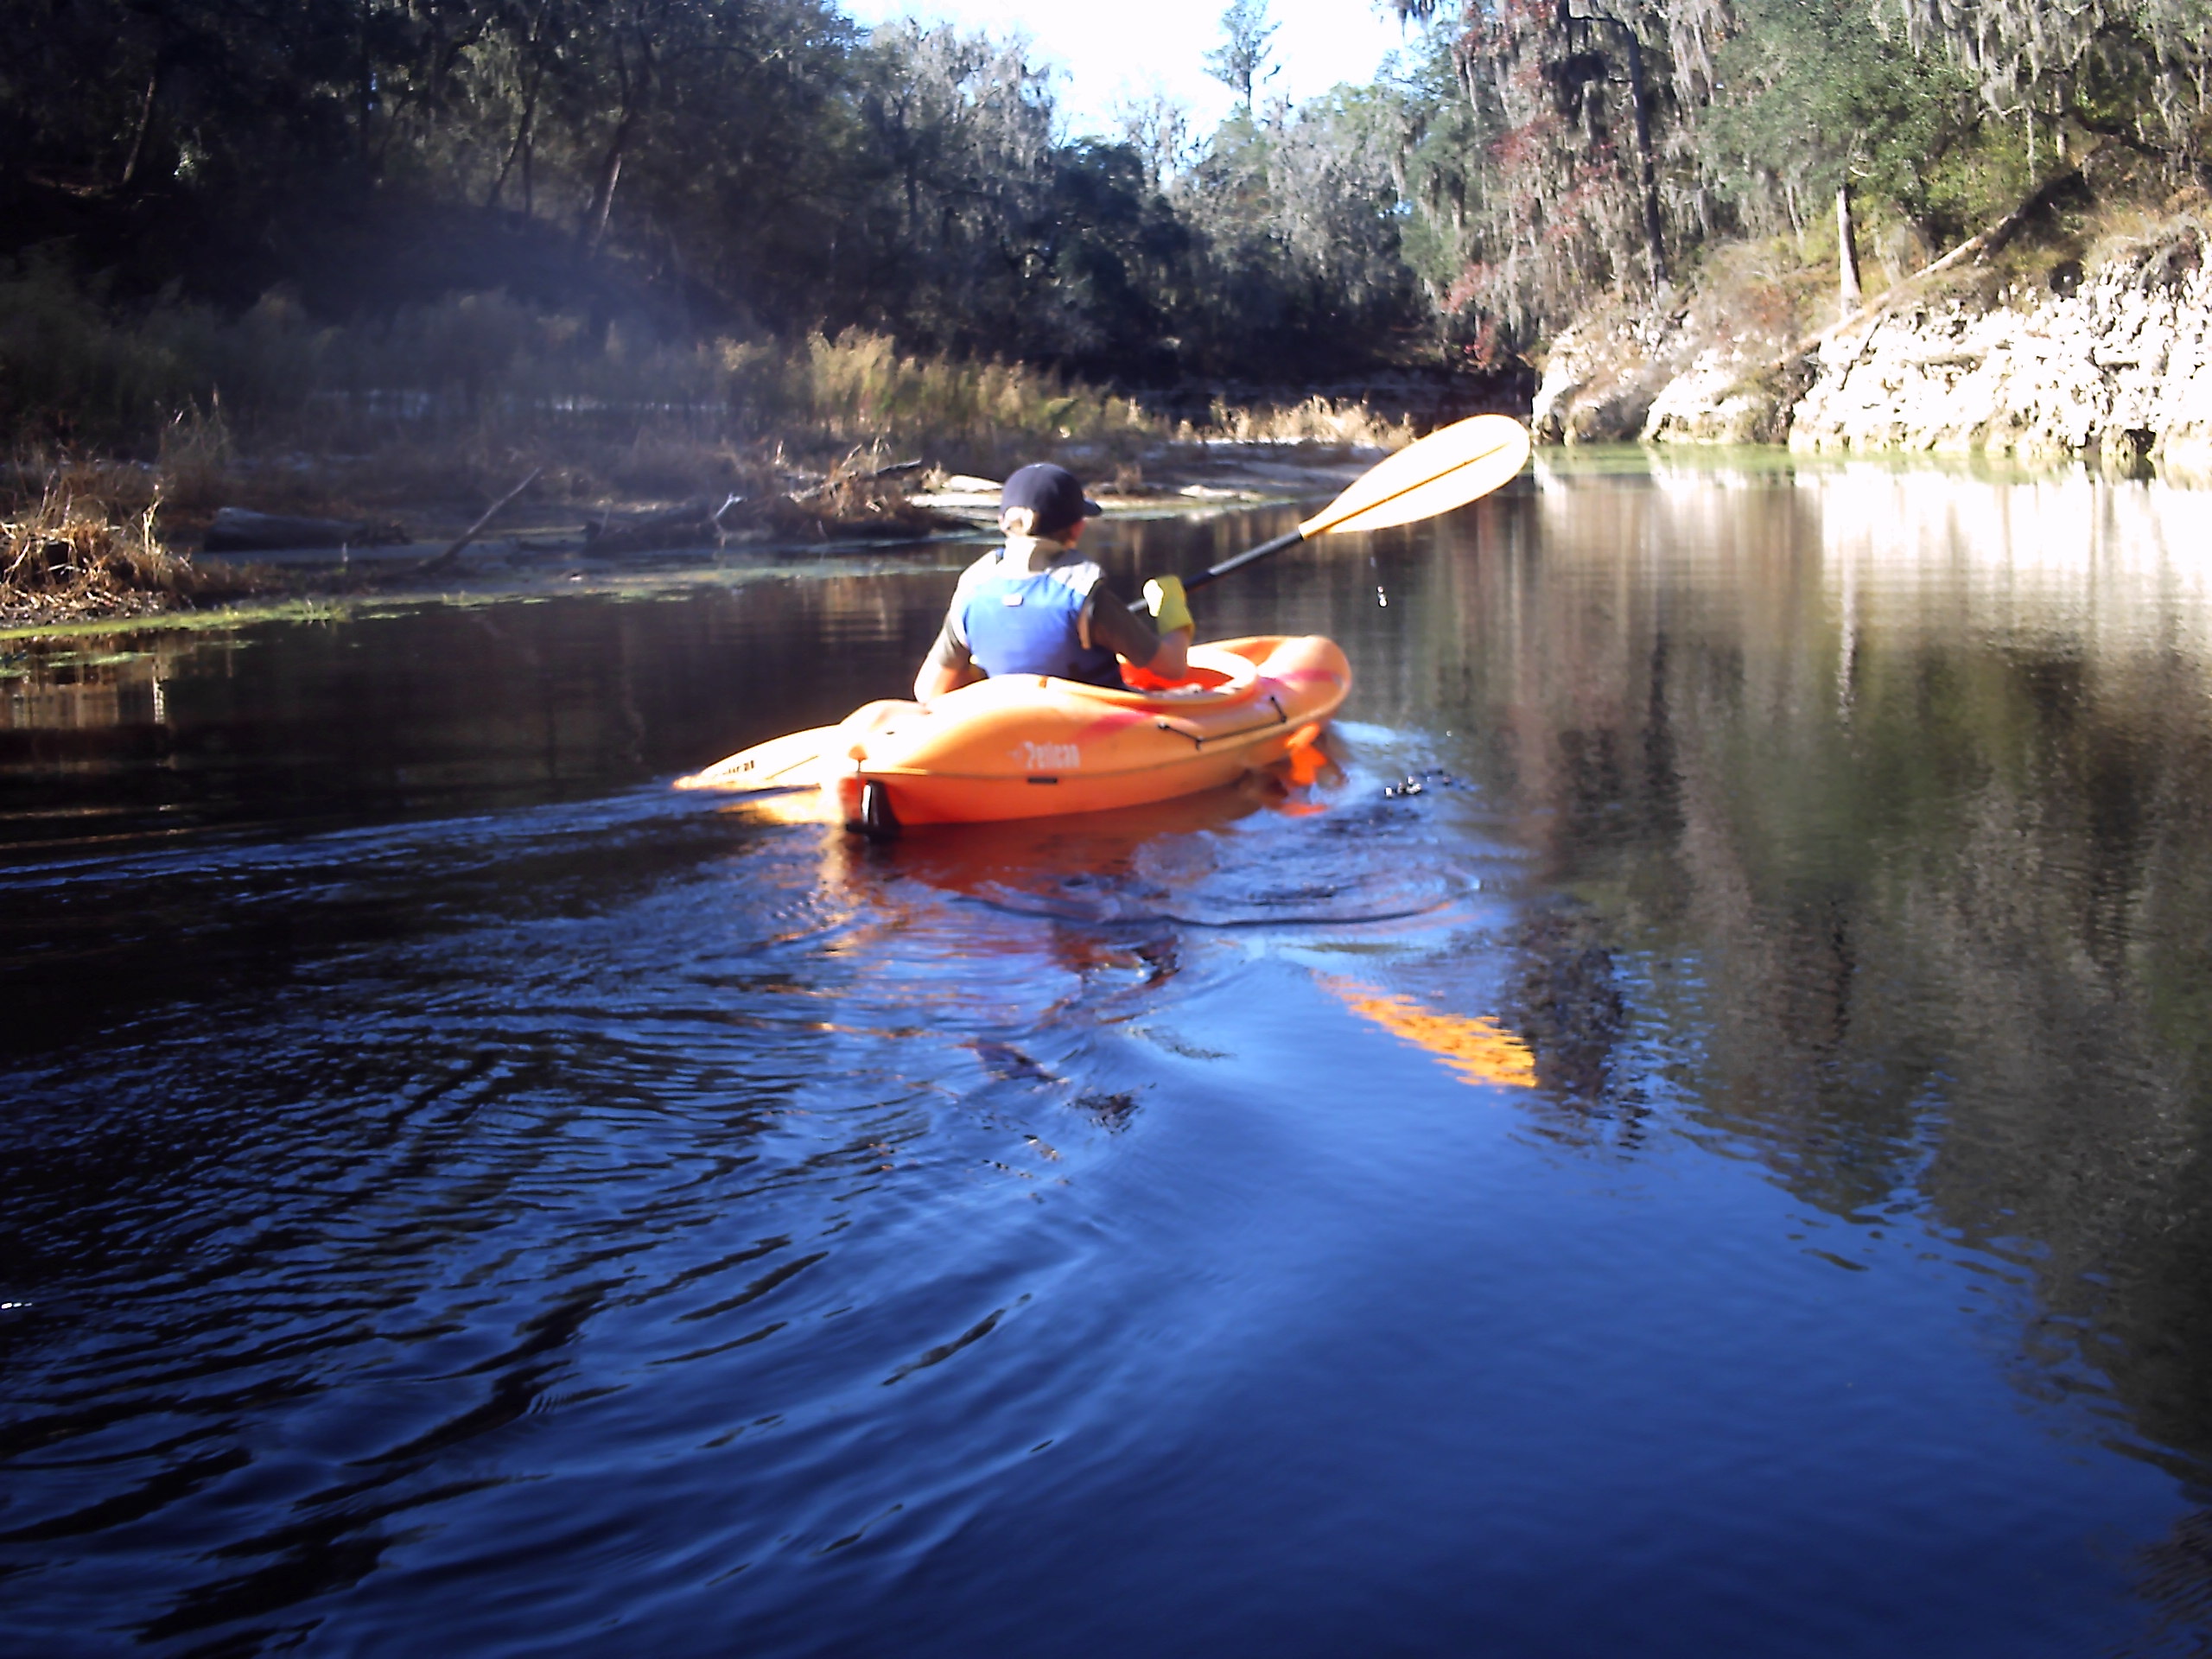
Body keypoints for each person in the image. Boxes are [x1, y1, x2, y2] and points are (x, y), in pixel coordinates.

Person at [913, 463, 1194, 701]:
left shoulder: (973, 588)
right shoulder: (1084, 592)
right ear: (1077, 527)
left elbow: (928, 690)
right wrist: (1173, 610)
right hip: (1090, 731)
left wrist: (979, 674)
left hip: (1005, 730)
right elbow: (1172, 667)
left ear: (1003, 521)